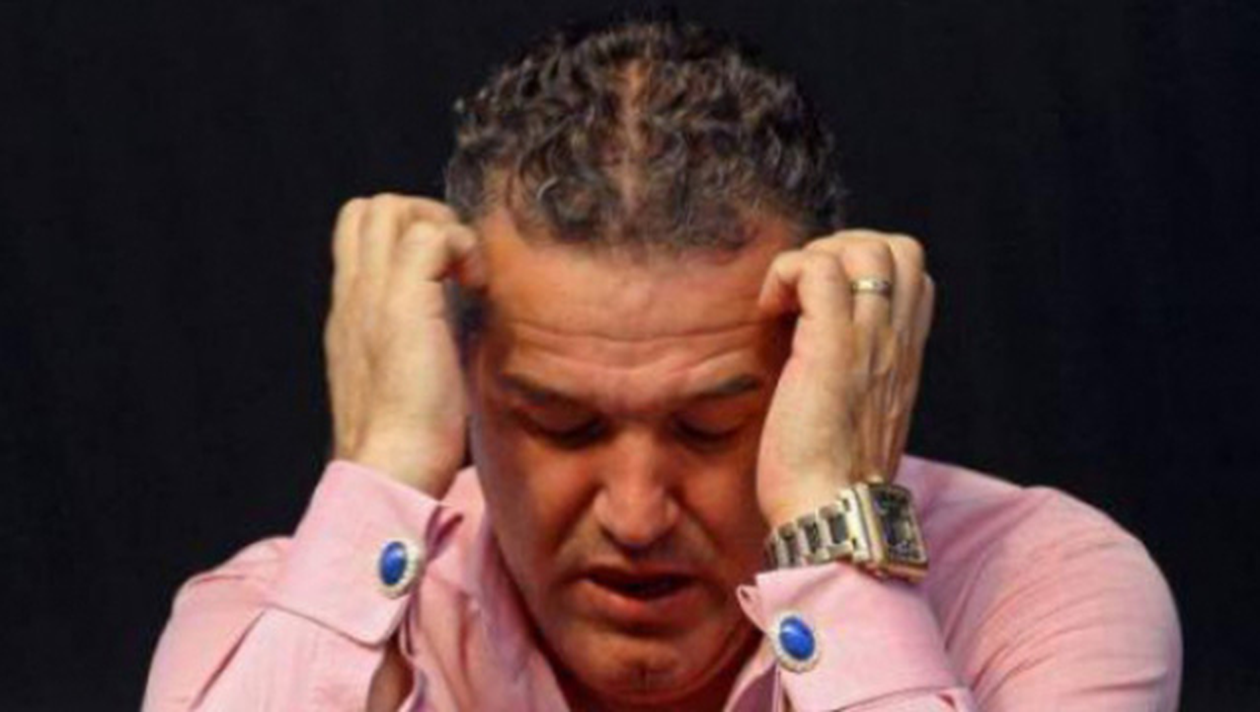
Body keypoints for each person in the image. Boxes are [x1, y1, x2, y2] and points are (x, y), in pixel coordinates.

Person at [142, 19, 1181, 711]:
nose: (636, 515)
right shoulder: (266, 621)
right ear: (462, 378)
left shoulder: (1041, 590)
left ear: (828, 365)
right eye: (561, 424)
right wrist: (377, 471)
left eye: (709, 427)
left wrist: (836, 534)